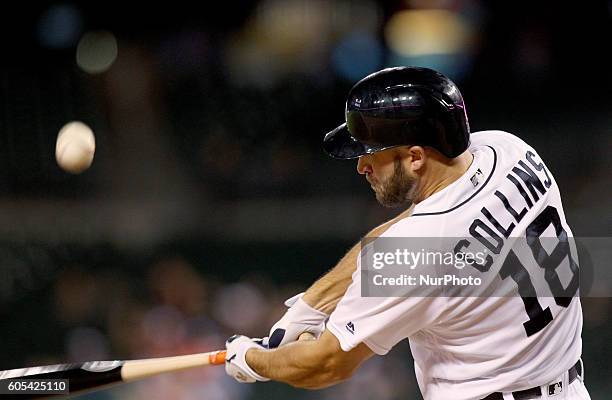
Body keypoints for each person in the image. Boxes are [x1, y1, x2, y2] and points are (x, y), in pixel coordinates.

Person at [224, 67, 590, 400]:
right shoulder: (509, 150)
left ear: (416, 157)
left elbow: (326, 365)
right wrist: (312, 305)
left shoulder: (420, 249)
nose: (362, 166)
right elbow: (412, 228)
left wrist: (254, 360)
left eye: (372, 152)